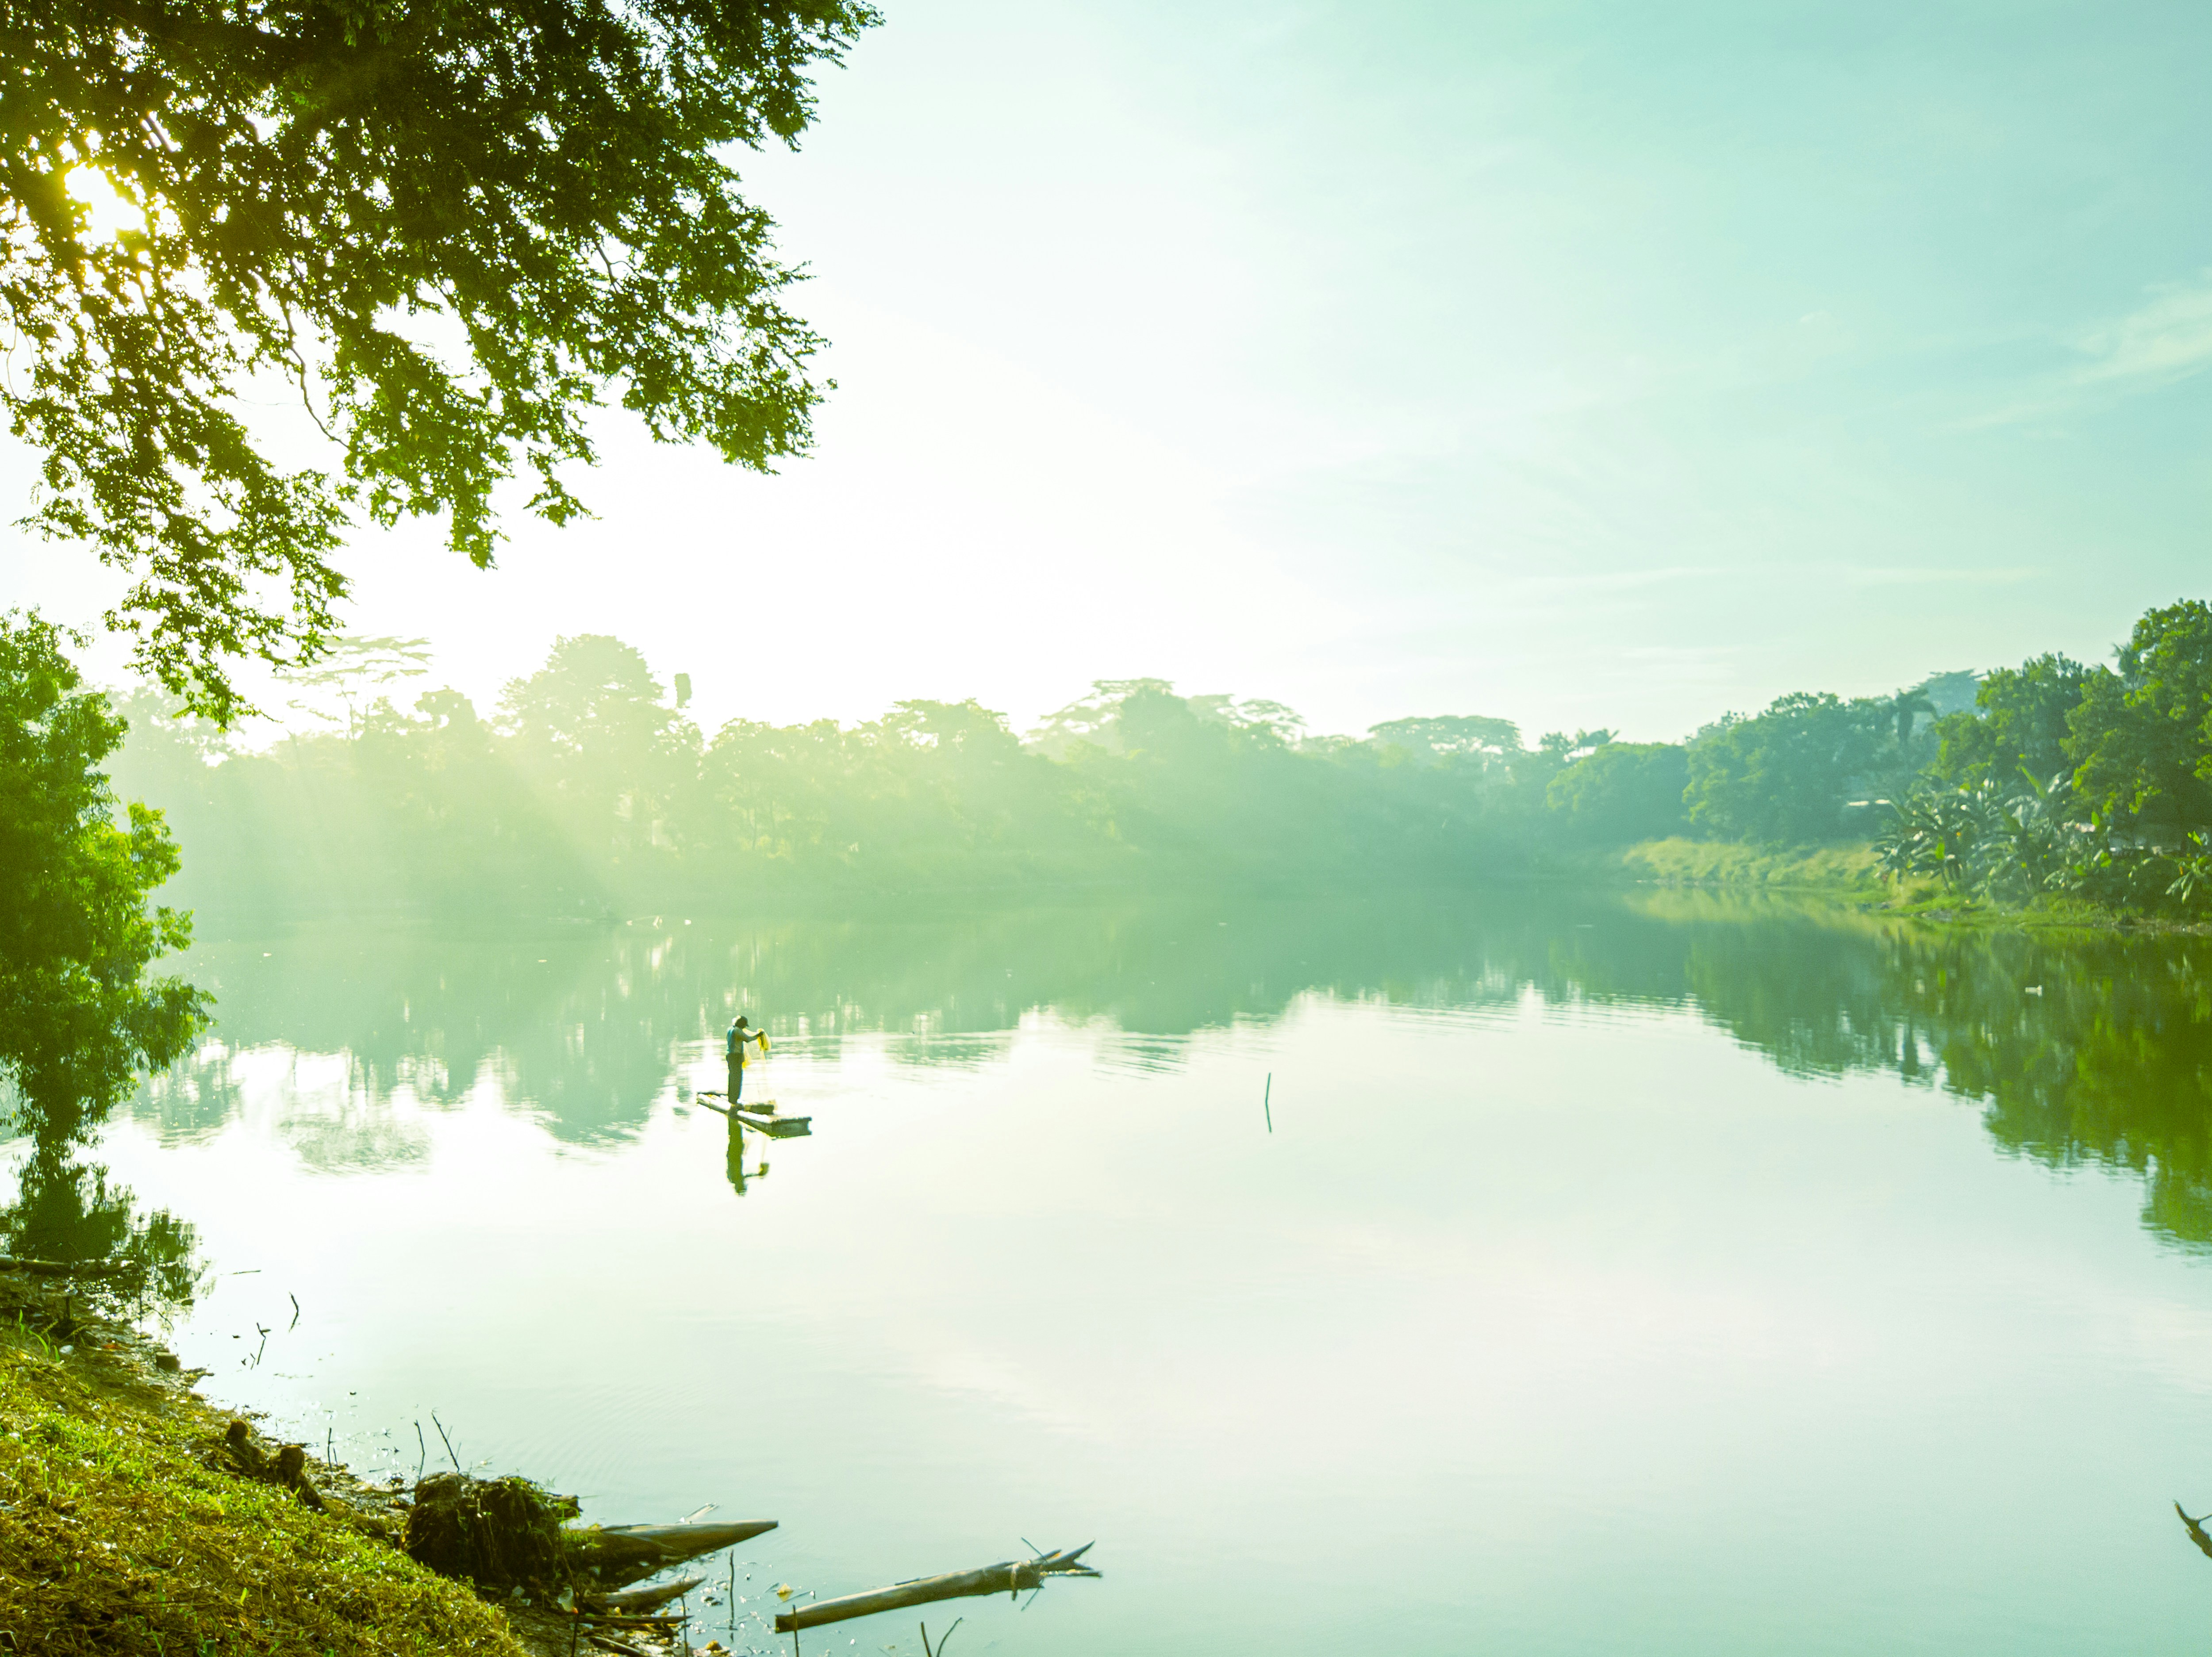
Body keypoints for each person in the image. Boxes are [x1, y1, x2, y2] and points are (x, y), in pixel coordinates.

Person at [726, 1015, 767, 1104]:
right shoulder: (737, 1031)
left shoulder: (730, 1029)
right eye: (744, 1025)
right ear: (741, 1024)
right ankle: (735, 1100)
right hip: (736, 1056)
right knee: (737, 1078)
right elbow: (748, 1039)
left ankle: (731, 1098)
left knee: (732, 1077)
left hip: (730, 1056)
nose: (745, 1027)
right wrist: (758, 1036)